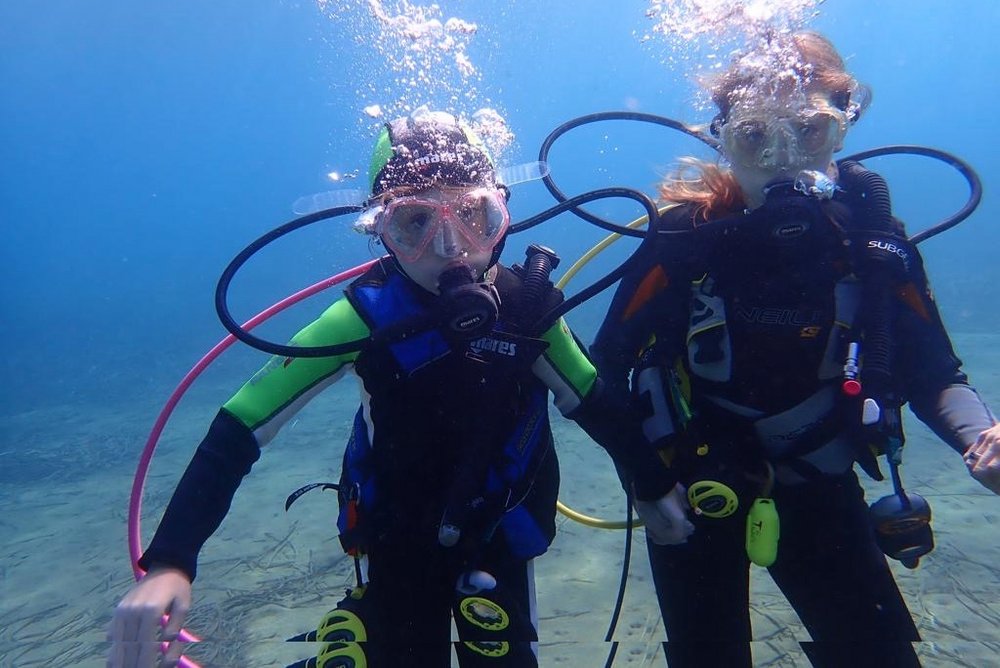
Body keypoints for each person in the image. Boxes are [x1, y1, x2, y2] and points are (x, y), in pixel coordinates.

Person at [107, 109, 659, 668]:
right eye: (416, 223)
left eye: (474, 215)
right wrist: (171, 561)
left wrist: (656, 485)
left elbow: (593, 401)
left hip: (500, 534)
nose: (451, 247)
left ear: (503, 214)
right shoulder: (365, 316)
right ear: (381, 231)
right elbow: (241, 424)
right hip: (397, 541)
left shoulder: (528, 307)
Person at [590, 31, 1000, 667]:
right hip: (696, 487)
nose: (781, 159)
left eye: (807, 132)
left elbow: (934, 373)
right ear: (721, 139)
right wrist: (646, 484)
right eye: (755, 136)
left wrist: (984, 437)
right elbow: (604, 372)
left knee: (877, 655)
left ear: (841, 131)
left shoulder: (870, 244)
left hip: (819, 483)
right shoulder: (681, 241)